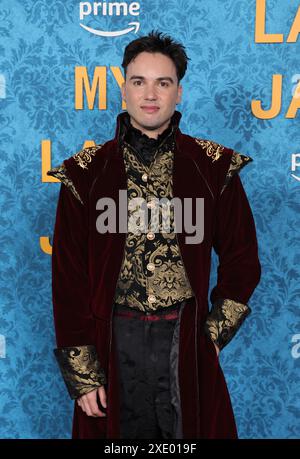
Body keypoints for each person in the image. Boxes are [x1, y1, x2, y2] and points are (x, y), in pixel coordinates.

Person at [47, 30, 261, 439]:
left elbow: (242, 259)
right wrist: (83, 372)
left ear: (178, 92)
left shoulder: (214, 167)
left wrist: (212, 335)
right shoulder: (84, 173)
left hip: (185, 341)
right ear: (123, 88)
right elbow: (68, 277)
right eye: (138, 81)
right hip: (111, 342)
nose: (150, 94)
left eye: (163, 83)